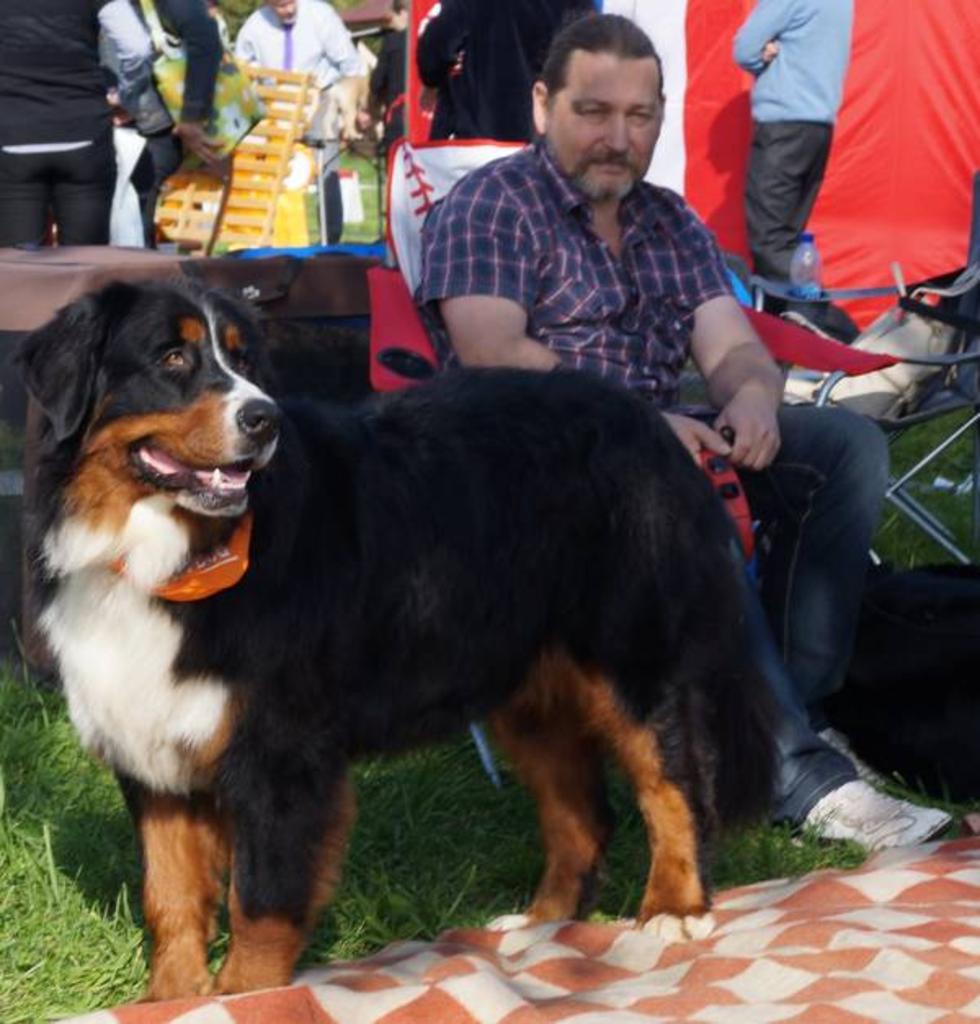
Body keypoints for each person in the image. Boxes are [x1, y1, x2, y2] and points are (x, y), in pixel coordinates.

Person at [418, 12, 952, 849]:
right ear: (542, 105)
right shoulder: (491, 204)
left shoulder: (670, 222)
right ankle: (795, 777)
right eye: (594, 111)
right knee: (671, 488)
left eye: (640, 115)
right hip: (526, 466)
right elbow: (494, 354)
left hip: (664, 441)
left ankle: (790, 711)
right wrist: (639, 425)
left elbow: (732, 346)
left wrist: (752, 398)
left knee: (843, 448)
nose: (617, 137)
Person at [0, 0, 151, 248]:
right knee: (85, 259)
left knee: (18, 264)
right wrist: (127, 97)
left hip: (13, 135)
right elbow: (137, 47)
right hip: (84, 133)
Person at [734, 0, 853, 281]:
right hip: (818, 127)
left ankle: (818, 307)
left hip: (783, 126)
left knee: (771, 242)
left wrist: (763, 54)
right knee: (788, 239)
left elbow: (744, 48)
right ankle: (788, 308)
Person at [235, 0, 362, 244]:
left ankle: (329, 239)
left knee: (326, 168)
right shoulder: (254, 26)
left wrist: (350, 111)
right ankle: (272, 237)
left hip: (320, 97)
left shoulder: (321, 15)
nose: (289, 9)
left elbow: (350, 65)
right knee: (273, 173)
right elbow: (241, 68)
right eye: (281, 6)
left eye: (291, 2)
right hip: (275, 104)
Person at [416, 0, 594, 142]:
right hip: (536, 134)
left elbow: (438, 46)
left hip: (473, 136)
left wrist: (432, 79)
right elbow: (582, 51)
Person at [125, 0, 224, 247]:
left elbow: (206, 40)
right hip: (126, 119)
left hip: (154, 124)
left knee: (135, 215)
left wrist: (192, 115)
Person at [358, 0, 408, 153]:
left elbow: (376, 82)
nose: (391, 22)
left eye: (392, 17)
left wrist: (370, 105)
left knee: (395, 157)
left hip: (398, 110)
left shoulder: (392, 42)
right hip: (424, 114)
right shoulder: (426, 38)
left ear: (402, 13)